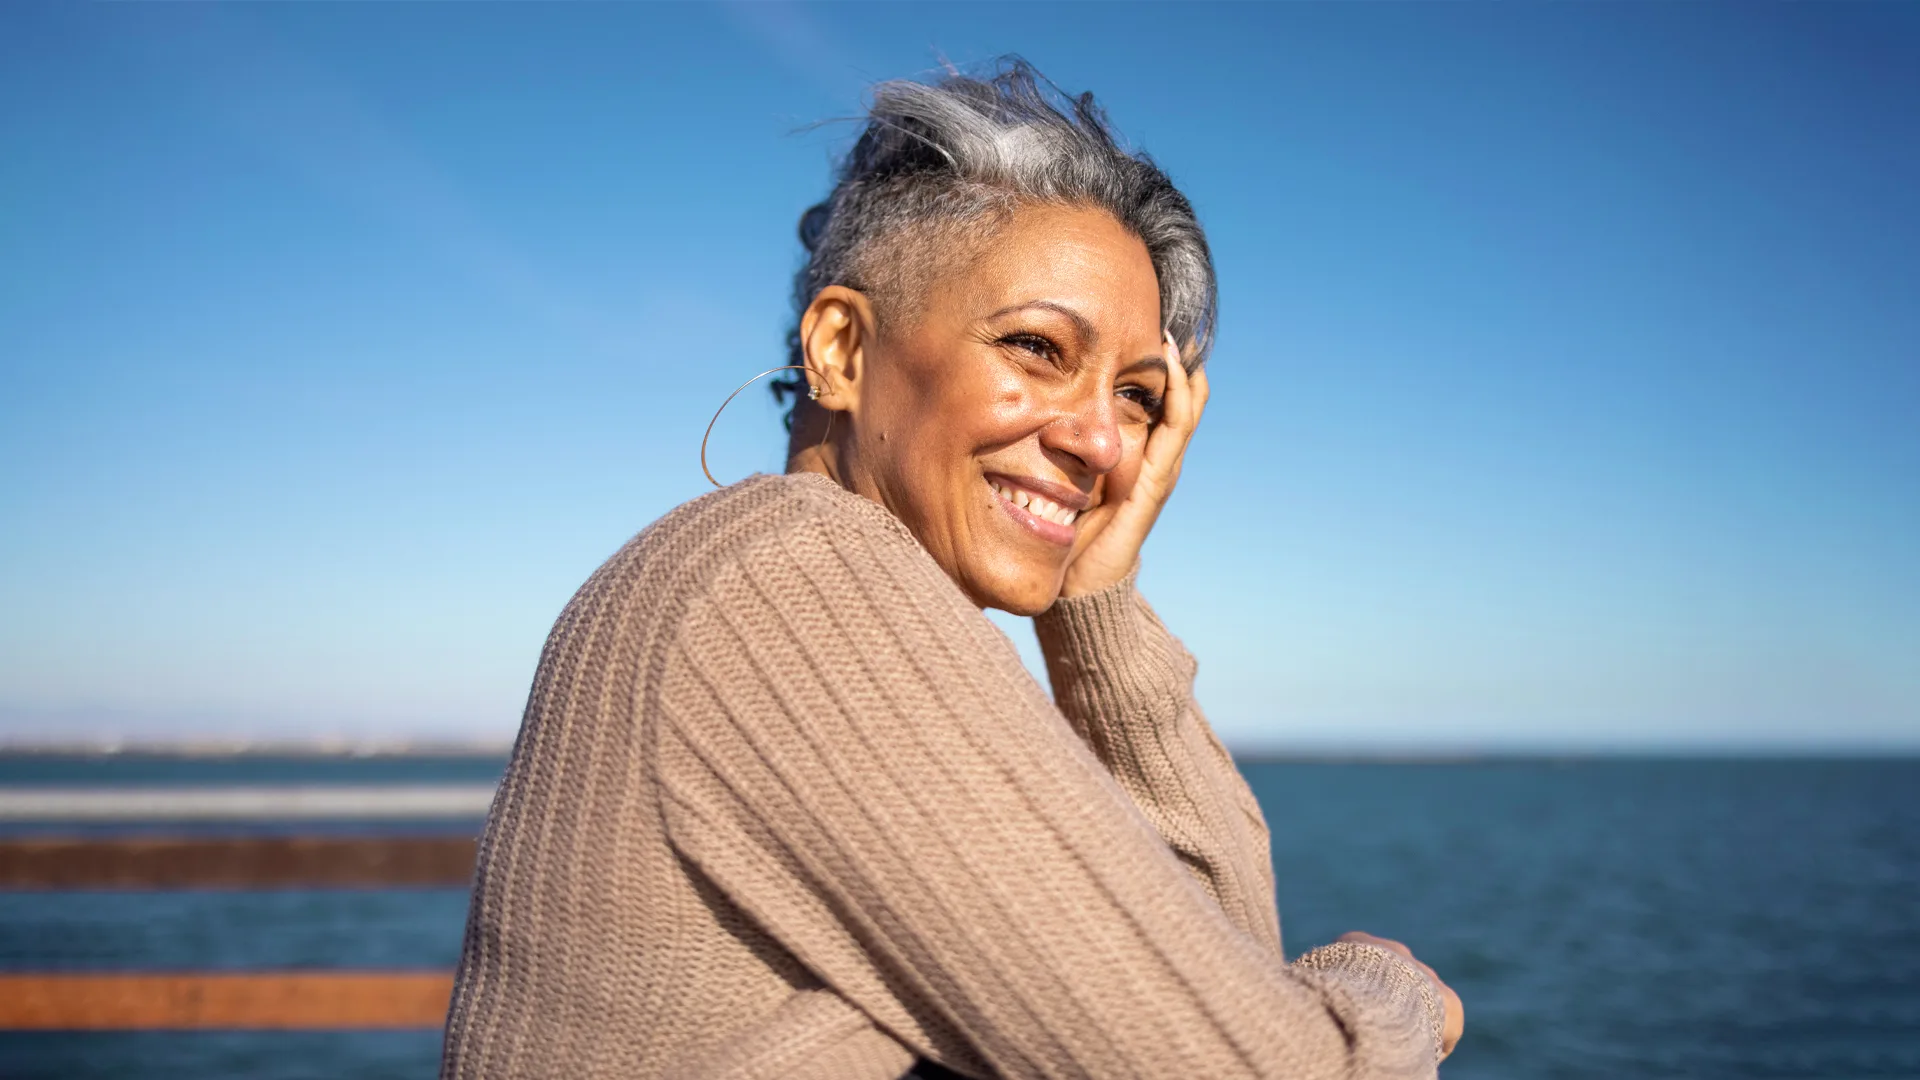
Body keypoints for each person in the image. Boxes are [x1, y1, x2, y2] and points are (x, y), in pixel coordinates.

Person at [440, 59, 1463, 1080]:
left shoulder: (748, 572)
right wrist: (1389, 986)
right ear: (840, 348)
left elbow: (1215, 979)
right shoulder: (792, 584)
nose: (1105, 442)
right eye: (1036, 348)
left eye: (1141, 398)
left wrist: (1099, 600)